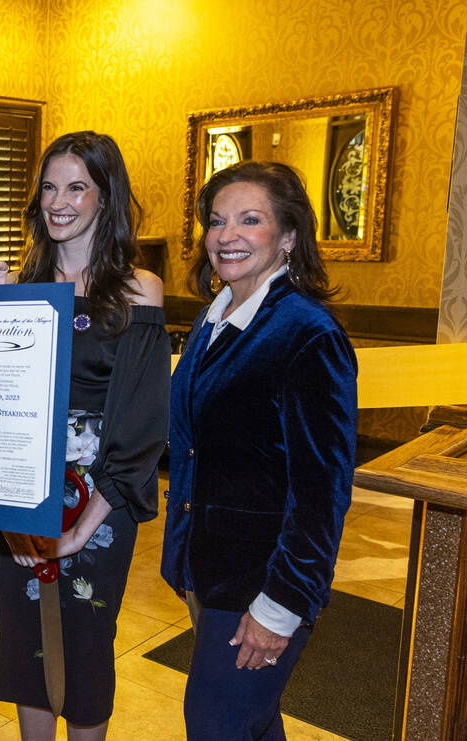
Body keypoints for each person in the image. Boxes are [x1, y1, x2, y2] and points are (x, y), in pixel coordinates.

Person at [0, 131, 170, 740]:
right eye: (49, 186)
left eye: (76, 186)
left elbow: (141, 430)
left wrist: (79, 528)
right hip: (23, 494)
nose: (59, 201)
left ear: (106, 196)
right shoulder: (14, 287)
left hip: (102, 501)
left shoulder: (138, 290)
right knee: (26, 647)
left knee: (85, 644)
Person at [160, 160, 357, 740]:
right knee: (252, 723)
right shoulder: (215, 316)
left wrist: (280, 606)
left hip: (261, 584)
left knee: (216, 725)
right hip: (210, 570)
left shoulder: (307, 334)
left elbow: (323, 492)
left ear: (289, 236)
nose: (227, 236)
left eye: (250, 220)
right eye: (217, 221)